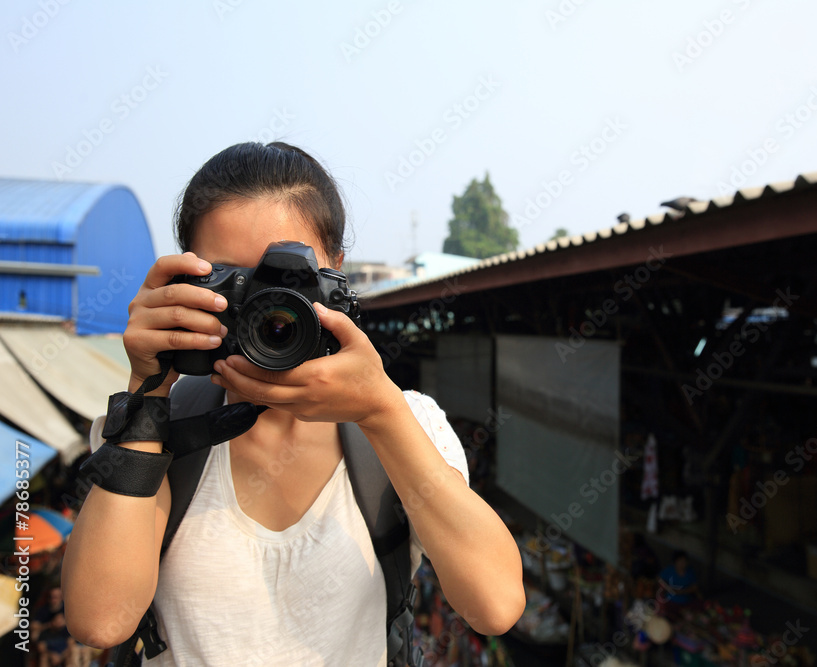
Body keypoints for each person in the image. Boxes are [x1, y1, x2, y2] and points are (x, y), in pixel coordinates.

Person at [62, 142, 525, 665]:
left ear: (338, 273)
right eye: (234, 283)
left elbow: (496, 606)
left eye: (288, 281)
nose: (269, 311)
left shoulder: (404, 425)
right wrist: (146, 392)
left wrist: (380, 411)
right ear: (184, 281)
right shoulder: (155, 428)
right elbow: (100, 621)